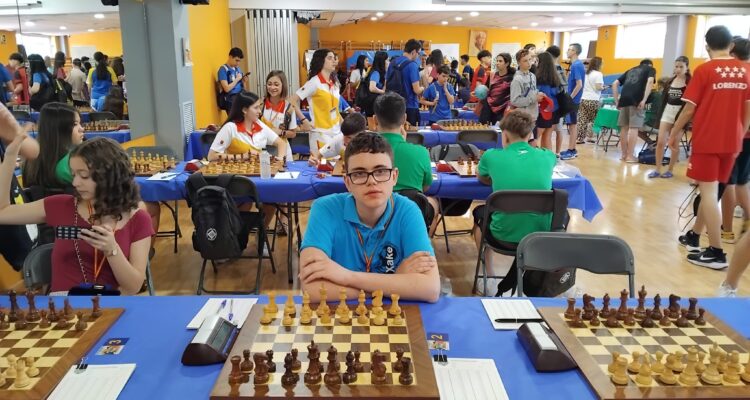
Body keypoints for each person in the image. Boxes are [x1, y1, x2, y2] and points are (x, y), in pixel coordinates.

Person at [0, 110, 152, 295]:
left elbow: (133, 287)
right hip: (64, 304)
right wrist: (10, 156)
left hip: (111, 304)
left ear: (110, 177)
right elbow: (2, 213)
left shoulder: (139, 219)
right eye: (73, 175)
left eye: (84, 176)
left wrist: (112, 250)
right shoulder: (60, 205)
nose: (75, 183)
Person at [298, 131, 440, 303]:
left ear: (394, 177)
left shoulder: (408, 211)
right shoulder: (324, 208)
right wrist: (396, 280)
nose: (371, 181)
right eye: (359, 173)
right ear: (347, 182)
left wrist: (346, 276)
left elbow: (430, 288)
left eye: (380, 171)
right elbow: (312, 289)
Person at [673, 25, 750, 269]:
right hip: (733, 143)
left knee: (708, 193)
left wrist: (674, 133)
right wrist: (739, 135)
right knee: (714, 192)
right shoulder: (745, 70)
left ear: (707, 46)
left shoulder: (705, 70)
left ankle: (716, 252)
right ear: (731, 45)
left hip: (708, 140)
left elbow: (689, 109)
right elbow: (748, 110)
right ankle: (696, 237)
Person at [472, 110, 556, 287]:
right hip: (541, 235)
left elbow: (482, 177)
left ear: (504, 135)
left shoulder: (491, 156)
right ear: (530, 134)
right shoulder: (548, 156)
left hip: (502, 235)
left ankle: (489, 273)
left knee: (480, 214)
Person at [292, 49, 344, 157]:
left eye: (334, 58)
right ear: (321, 61)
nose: (333, 61)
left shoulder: (335, 83)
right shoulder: (314, 82)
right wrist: (304, 120)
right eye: (329, 58)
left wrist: (343, 123)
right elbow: (291, 101)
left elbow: (334, 109)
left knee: (337, 165)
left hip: (337, 133)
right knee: (322, 166)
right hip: (320, 133)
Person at [208, 91, 287, 161]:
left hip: (261, 169)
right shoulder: (230, 128)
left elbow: (281, 143)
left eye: (259, 107)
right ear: (245, 110)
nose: (260, 111)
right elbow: (211, 156)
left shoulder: (259, 124)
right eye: (256, 108)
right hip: (238, 171)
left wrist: (280, 159)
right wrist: (242, 156)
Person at [22, 102, 85, 188]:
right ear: (59, 128)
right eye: (75, 124)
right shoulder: (71, 163)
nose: (81, 128)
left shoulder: (29, 162)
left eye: (80, 123)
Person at [650, 56, 691, 179]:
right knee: (660, 142)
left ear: (687, 68)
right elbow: (664, 100)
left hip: (680, 115)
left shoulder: (690, 82)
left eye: (681, 67)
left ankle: (670, 170)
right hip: (667, 113)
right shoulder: (669, 81)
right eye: (676, 66)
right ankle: (657, 169)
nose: (678, 69)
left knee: (674, 143)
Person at [612, 59, 656, 163]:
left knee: (624, 128)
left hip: (624, 99)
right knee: (634, 128)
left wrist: (616, 101)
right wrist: (644, 100)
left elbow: (615, 83)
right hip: (636, 100)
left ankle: (624, 155)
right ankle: (630, 156)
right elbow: (650, 82)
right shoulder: (650, 69)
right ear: (650, 65)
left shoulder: (630, 70)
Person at [385, 39, 423, 127]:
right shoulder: (412, 65)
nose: (418, 56)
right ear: (414, 52)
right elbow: (416, 90)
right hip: (409, 105)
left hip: (393, 104)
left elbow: (386, 83)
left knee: (395, 130)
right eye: (418, 53)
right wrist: (423, 88)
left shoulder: (393, 63)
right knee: (411, 132)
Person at [261, 70, 297, 161]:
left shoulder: (289, 108)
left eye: (276, 84)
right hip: (263, 149)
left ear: (283, 86)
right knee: (265, 170)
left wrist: (280, 132)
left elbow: (293, 134)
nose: (272, 87)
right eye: (269, 84)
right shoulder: (260, 105)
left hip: (283, 150)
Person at [559, 43, 586, 160]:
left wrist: (570, 98)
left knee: (573, 125)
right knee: (571, 125)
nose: (567, 51)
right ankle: (571, 148)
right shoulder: (575, 65)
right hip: (573, 99)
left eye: (570, 49)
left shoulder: (576, 65)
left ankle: (572, 150)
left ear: (575, 51)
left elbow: (579, 84)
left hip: (573, 101)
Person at [535, 52, 561, 151]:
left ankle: (529, 158)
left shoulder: (539, 78)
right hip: (554, 110)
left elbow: (542, 96)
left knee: (535, 137)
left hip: (543, 111)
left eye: (537, 61)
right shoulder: (555, 77)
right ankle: (548, 158)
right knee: (547, 137)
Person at [481, 52, 515, 125]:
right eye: (497, 61)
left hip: (503, 109)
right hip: (488, 107)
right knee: (483, 128)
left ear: (507, 63)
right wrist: (479, 92)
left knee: (499, 130)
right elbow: (486, 88)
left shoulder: (512, 78)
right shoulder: (492, 75)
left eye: (500, 61)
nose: (497, 63)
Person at [510, 49, 541, 127]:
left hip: (533, 115)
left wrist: (539, 94)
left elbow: (532, 92)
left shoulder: (532, 76)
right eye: (525, 61)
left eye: (530, 59)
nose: (529, 63)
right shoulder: (517, 79)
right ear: (518, 63)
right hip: (522, 117)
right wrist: (534, 98)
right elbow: (515, 101)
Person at [578, 56, 605, 144]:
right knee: (593, 120)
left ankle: (580, 138)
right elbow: (598, 87)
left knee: (583, 119)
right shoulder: (598, 74)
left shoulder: (586, 73)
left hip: (583, 98)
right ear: (599, 64)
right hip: (593, 99)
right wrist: (604, 88)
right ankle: (589, 137)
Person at [218, 47, 247, 114]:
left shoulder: (238, 69)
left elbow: (243, 88)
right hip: (231, 100)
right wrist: (237, 79)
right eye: (236, 60)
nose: (238, 63)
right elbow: (226, 89)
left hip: (241, 96)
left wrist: (244, 82)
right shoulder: (223, 70)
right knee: (235, 119)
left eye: (239, 61)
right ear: (230, 57)